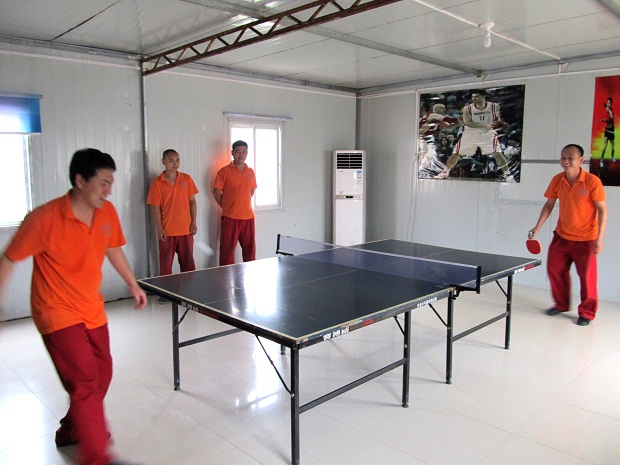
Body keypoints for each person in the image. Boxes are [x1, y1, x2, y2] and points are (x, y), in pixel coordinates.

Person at [0, 148, 147, 465]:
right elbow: (9, 259)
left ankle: (71, 432)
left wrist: (133, 284)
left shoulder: (106, 212)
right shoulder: (44, 218)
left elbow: (113, 249)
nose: (108, 190)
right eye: (103, 183)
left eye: (111, 183)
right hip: (55, 311)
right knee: (85, 383)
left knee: (102, 375)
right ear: (80, 181)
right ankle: (96, 457)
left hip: (90, 307)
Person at [528, 144, 607, 326]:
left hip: (586, 239)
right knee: (554, 269)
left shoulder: (592, 181)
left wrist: (599, 239)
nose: (566, 161)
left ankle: (587, 313)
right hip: (562, 236)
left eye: (570, 158)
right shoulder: (557, 180)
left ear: (581, 160)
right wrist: (537, 227)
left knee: (587, 278)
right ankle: (561, 304)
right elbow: (549, 205)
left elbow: (602, 210)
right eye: (563, 157)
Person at [435, 89, 514, 182]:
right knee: (456, 153)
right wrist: (483, 125)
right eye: (473, 97)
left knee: (497, 153)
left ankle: (508, 175)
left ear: (484, 96)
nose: (474, 98)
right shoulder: (467, 108)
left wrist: (501, 123)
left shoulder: (494, 106)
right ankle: (445, 172)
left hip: (486, 134)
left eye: (476, 96)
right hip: (470, 134)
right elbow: (467, 123)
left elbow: (496, 119)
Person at [146, 149, 198, 287]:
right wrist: (159, 228)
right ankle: (165, 292)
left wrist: (193, 222)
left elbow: (192, 202)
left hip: (186, 230)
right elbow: (155, 207)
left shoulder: (187, 179)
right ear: (163, 162)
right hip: (167, 231)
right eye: (171, 161)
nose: (175, 164)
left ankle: (190, 290)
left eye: (177, 160)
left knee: (188, 263)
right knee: (165, 266)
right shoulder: (157, 183)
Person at [213, 140, 257, 266]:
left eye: (244, 152)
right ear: (232, 153)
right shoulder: (224, 171)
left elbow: (252, 190)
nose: (241, 154)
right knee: (227, 252)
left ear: (247, 153)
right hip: (230, 218)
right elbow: (216, 192)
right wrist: (226, 206)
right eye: (238, 151)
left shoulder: (250, 172)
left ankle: (251, 274)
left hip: (248, 218)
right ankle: (225, 277)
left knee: (250, 251)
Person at [600, 97, 615, 166]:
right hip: (607, 130)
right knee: (605, 146)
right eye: (607, 103)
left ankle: (612, 157)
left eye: (609, 103)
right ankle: (601, 160)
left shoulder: (611, 111)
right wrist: (604, 120)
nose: (608, 104)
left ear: (611, 104)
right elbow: (607, 119)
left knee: (613, 147)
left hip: (611, 130)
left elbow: (611, 118)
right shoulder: (606, 111)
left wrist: (609, 110)